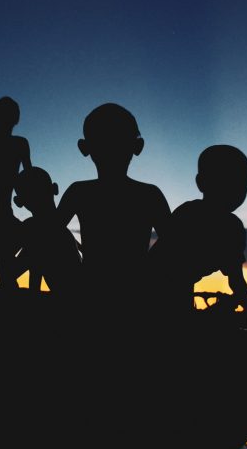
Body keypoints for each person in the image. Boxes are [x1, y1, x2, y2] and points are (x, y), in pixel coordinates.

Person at [57, 103, 170, 303]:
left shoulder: (79, 192)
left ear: (85, 148)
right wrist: (146, 270)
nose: (110, 148)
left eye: (115, 140)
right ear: (137, 146)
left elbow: (49, 233)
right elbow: (172, 244)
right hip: (137, 293)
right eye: (105, 140)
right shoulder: (150, 195)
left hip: (89, 291)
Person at [148, 144, 247, 322]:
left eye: (240, 183)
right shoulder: (188, 214)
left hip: (179, 287)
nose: (233, 190)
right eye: (224, 181)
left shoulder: (232, 228)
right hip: (152, 285)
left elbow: (236, 280)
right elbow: (166, 261)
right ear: (201, 183)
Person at [9, 166, 81, 295]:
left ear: (19, 202)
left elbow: (14, 269)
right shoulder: (61, 231)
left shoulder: (33, 227)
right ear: (54, 189)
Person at [0, 96, 32, 288]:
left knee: (6, 256)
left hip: (3, 213)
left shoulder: (20, 144)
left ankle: (7, 284)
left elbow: (28, 178)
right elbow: (27, 178)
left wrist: (25, 195)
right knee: (6, 255)